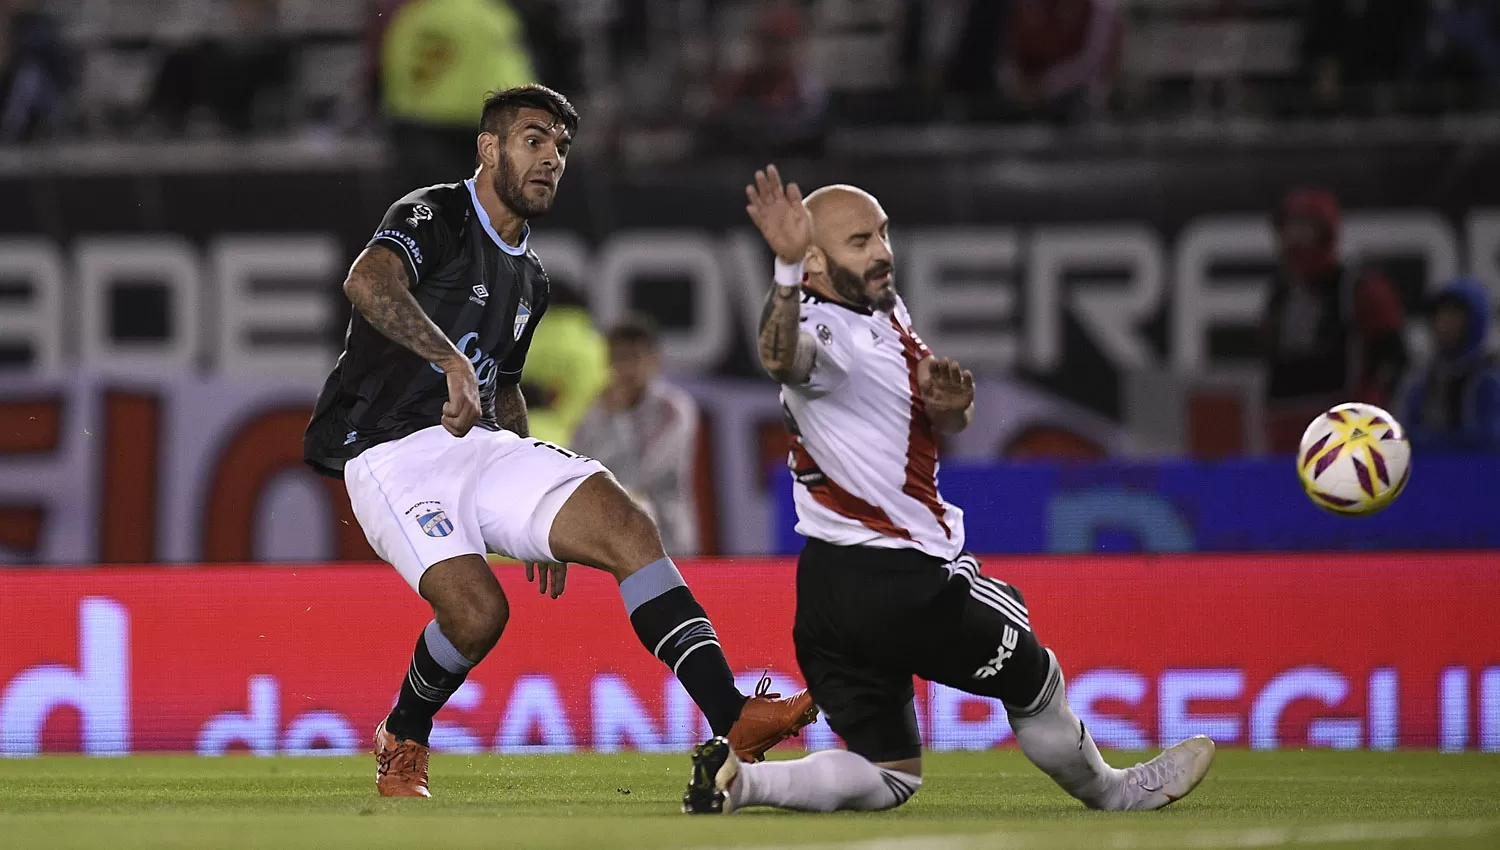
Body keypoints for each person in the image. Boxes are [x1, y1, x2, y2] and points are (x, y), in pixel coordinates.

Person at [302, 86, 815, 798]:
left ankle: (733, 715)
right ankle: (404, 735)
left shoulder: (530, 277)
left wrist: (531, 512)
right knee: (479, 614)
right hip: (389, 450)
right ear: (490, 148)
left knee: (627, 527)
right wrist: (449, 357)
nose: (551, 159)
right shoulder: (436, 213)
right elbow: (368, 280)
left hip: (477, 444)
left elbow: (505, 384)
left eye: (561, 148)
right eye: (534, 140)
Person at [682, 166, 1215, 815]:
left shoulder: (880, 308)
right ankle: (1116, 794)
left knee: (890, 775)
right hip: (900, 581)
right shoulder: (827, 329)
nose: (881, 251)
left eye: (882, 233)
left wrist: (952, 409)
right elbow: (780, 356)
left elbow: (912, 414)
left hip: (828, 590)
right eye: (859, 242)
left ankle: (742, 783)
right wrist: (786, 269)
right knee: (1037, 677)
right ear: (816, 259)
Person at [1259, 187, 1407, 454]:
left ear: (1325, 229)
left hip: (1340, 426)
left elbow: (1393, 354)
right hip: (1283, 426)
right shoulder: (1279, 291)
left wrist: (1367, 410)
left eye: (1303, 226)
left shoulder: (1356, 286)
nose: (1294, 236)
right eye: (1288, 226)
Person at [572, 314, 700, 555]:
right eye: (618, 358)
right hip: (609, 541)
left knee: (640, 500)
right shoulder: (596, 409)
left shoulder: (674, 410)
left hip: (668, 539)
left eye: (633, 358)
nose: (625, 368)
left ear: (654, 360)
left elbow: (643, 471)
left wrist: (620, 416)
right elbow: (577, 466)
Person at [1402, 278, 1500, 452]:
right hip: (1429, 471)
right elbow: (1406, 429)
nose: (1445, 323)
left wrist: (1438, 442)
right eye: (1440, 315)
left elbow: (1490, 438)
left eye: (1454, 315)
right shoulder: (1424, 376)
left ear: (1474, 320)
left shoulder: (1488, 378)